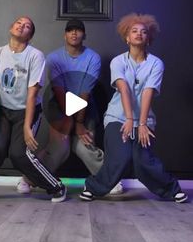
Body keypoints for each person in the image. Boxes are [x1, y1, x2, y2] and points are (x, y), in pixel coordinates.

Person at [80, 13, 188, 203]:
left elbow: (148, 92)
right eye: (134, 31)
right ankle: (93, 187)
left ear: (148, 38)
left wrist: (142, 123)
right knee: (120, 157)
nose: (139, 34)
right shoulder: (118, 61)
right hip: (117, 117)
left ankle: (171, 189)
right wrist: (129, 119)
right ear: (127, 37)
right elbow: (123, 89)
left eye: (143, 32)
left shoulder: (156, 64)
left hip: (144, 120)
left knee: (142, 161)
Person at [0, 16, 66, 202]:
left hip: (27, 110)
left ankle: (56, 186)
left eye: (27, 26)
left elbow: (33, 93)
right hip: (2, 110)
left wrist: (26, 126)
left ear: (30, 36)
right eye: (19, 23)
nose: (22, 26)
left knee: (19, 154)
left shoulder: (35, 56)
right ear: (11, 27)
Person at [17, 18, 123, 194]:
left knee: (84, 145)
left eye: (78, 30)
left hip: (85, 107)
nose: (74, 33)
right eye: (70, 30)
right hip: (60, 107)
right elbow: (59, 92)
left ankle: (109, 179)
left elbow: (85, 93)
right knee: (60, 149)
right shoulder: (53, 58)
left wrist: (79, 124)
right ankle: (28, 178)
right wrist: (69, 124)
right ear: (65, 35)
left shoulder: (93, 58)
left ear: (84, 35)